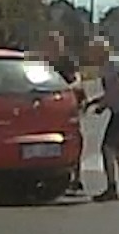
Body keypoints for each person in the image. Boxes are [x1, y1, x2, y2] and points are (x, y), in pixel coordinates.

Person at [84, 36, 119, 202]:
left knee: (108, 148)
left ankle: (112, 188)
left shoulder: (111, 65)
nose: (91, 55)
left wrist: (102, 106)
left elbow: (117, 88)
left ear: (100, 51)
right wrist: (95, 101)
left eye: (93, 51)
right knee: (117, 151)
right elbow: (114, 89)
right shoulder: (114, 62)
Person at [37, 30, 88, 194]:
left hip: (69, 104)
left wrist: (64, 89)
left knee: (74, 138)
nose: (52, 47)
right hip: (48, 105)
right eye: (49, 43)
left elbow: (77, 80)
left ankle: (77, 177)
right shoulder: (41, 62)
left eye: (55, 43)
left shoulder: (68, 61)